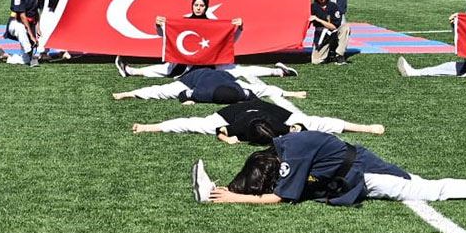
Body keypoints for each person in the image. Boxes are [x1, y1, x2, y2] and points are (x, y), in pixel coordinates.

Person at [195, 130, 466, 205]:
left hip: (366, 175)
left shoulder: (291, 156)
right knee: (423, 184)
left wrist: (235, 198)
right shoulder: (285, 147)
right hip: (361, 169)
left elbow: (280, 198)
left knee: (431, 189)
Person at [115, 0, 296, 78]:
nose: (198, 8)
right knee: (166, 70)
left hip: (211, 63)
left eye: (202, 6)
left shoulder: (214, 24)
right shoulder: (184, 21)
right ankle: (130, 71)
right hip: (186, 62)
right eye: (196, 5)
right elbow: (167, 38)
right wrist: (159, 26)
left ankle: (278, 71)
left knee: (238, 70)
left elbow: (229, 43)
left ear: (206, 7)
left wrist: (238, 29)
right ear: (192, 6)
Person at [133, 100, 383, 144]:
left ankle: (365, 127)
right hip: (232, 112)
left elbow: (302, 126)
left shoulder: (280, 126)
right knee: (196, 123)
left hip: (271, 110)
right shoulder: (238, 126)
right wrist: (226, 137)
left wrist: (293, 131)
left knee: (317, 121)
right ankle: (149, 126)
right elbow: (220, 130)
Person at [112, 67, 305, 104]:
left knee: (252, 79)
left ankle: (279, 73)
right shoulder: (202, 93)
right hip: (195, 77)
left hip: (223, 75)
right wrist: (188, 101)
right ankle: (128, 93)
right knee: (163, 91)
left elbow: (259, 91)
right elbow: (181, 94)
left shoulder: (239, 90)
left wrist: (291, 93)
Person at [309, 0, 349, 65]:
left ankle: (339, 55)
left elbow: (334, 27)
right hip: (321, 36)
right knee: (316, 61)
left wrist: (318, 20)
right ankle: (329, 54)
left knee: (345, 27)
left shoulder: (333, 6)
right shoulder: (313, 7)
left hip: (333, 33)